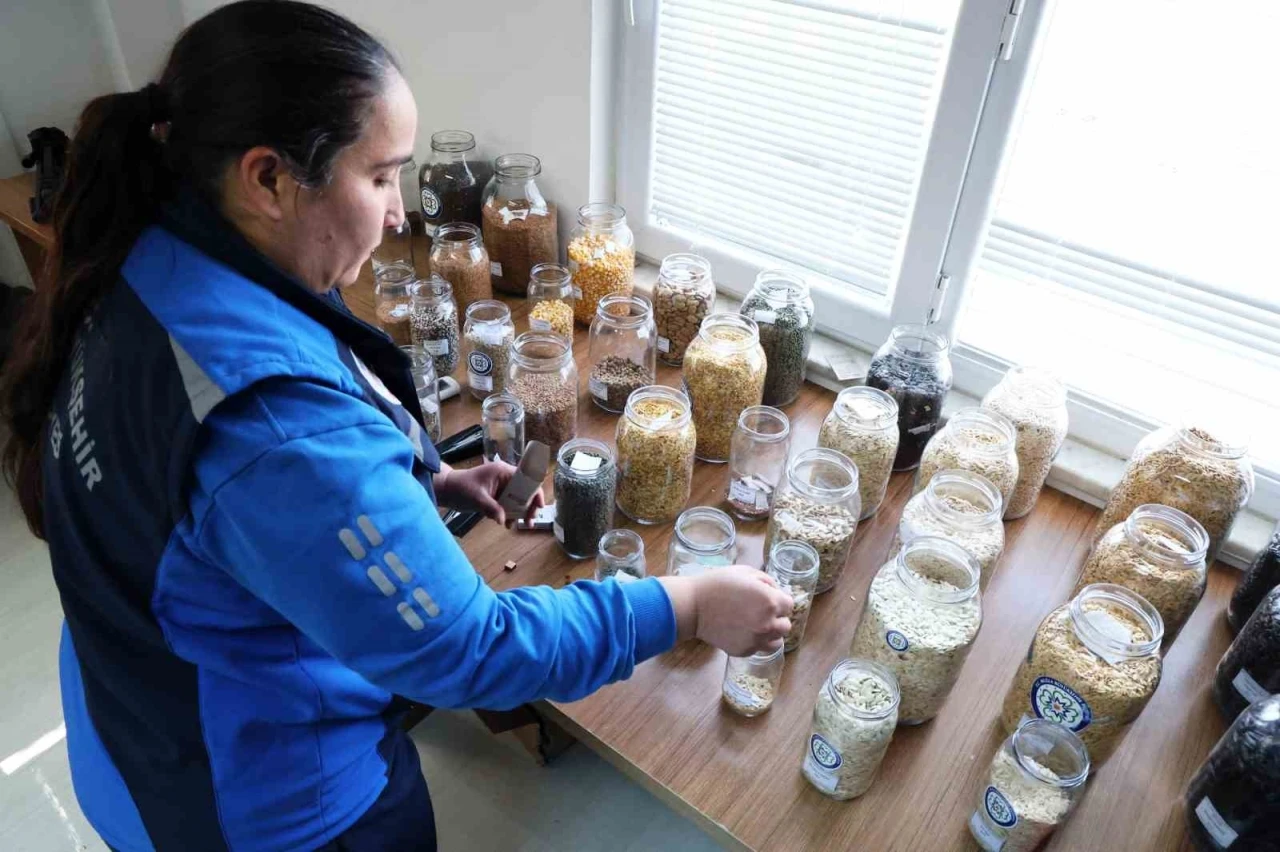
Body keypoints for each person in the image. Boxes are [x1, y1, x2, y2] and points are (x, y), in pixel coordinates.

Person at [0, 3, 794, 850]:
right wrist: (689, 604)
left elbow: (243, 501)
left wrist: (414, 483)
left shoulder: (149, 252)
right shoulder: (277, 433)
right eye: (379, 177)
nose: (399, 216)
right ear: (267, 178)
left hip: (132, 710)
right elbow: (476, 652)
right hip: (250, 801)